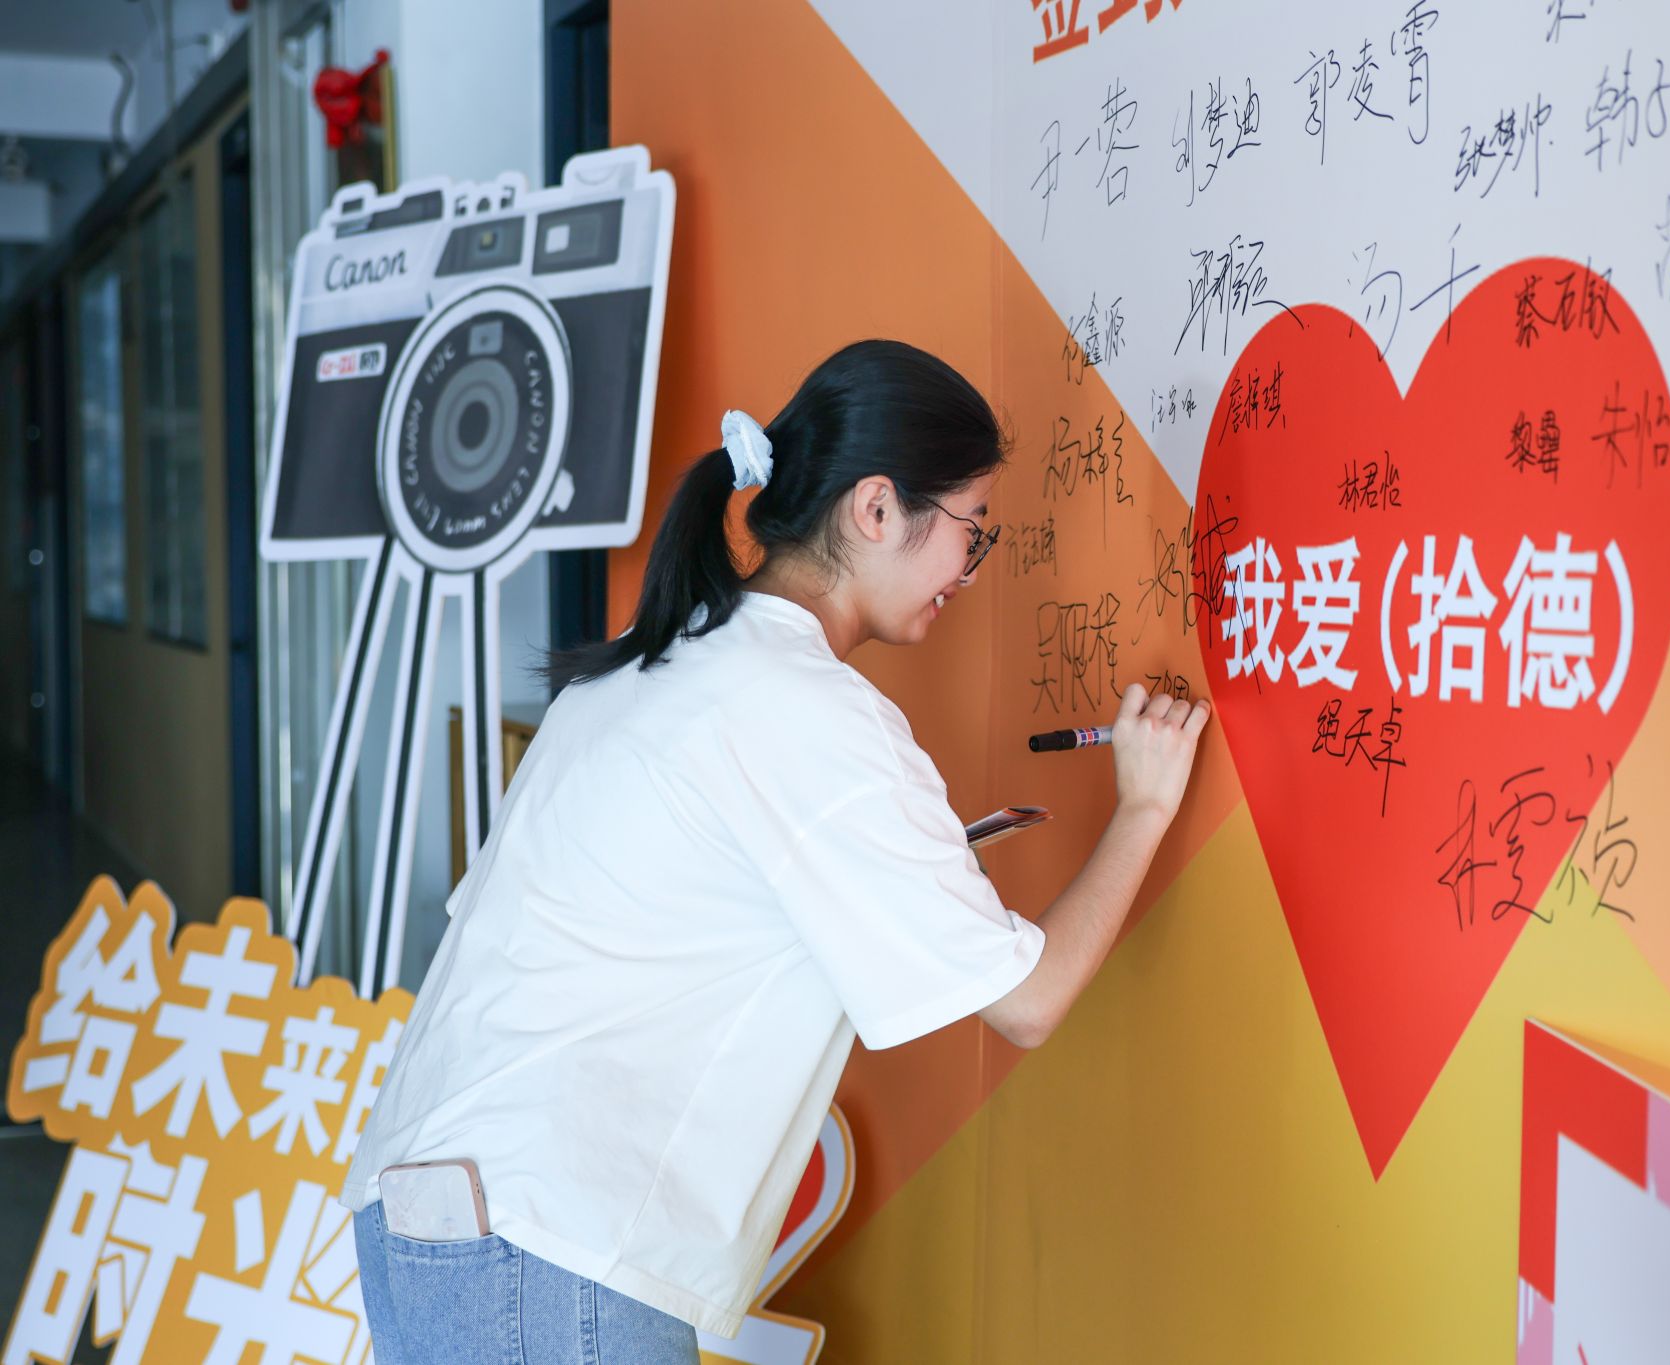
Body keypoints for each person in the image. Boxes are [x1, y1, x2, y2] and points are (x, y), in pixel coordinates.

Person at [341, 339, 1211, 1363]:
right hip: (550, 1249)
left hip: (428, 1222)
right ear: (876, 508)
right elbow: (1027, 1000)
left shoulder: (646, 666)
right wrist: (1145, 808)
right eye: (971, 531)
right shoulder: (808, 708)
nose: (969, 572)